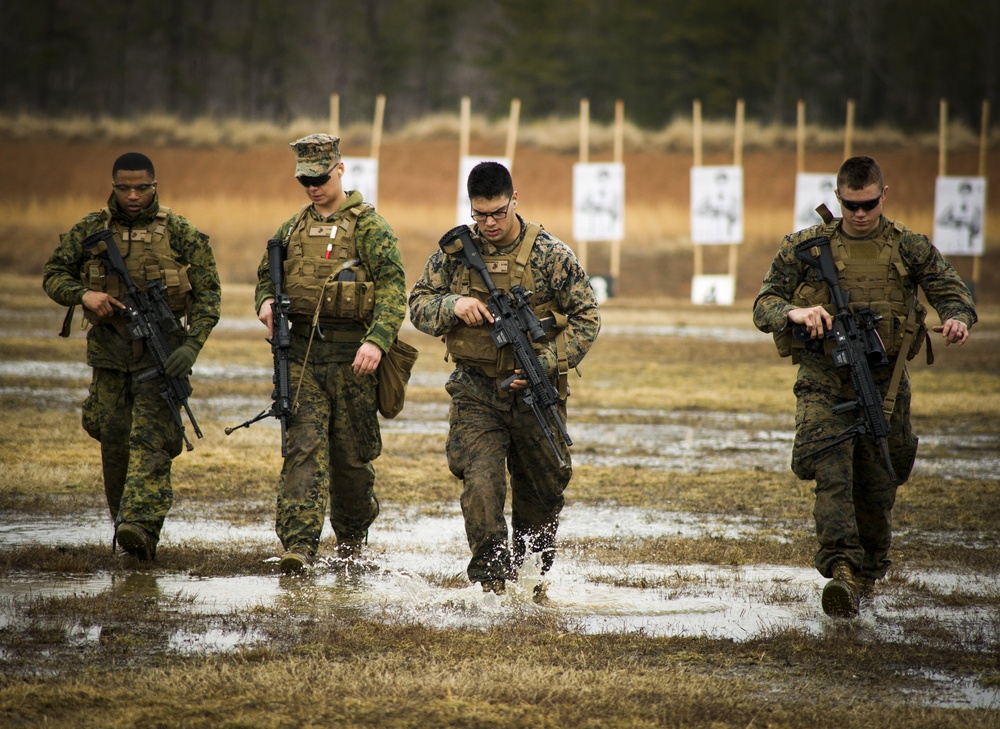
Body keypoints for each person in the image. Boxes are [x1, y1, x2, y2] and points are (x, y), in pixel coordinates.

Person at [752, 156, 977, 618]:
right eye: (851, 205)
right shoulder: (806, 246)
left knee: (878, 486)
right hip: (823, 381)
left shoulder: (908, 247)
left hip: (885, 386)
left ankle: (866, 572)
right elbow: (764, 304)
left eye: (869, 204)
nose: (860, 213)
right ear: (838, 198)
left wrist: (956, 317)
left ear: (883, 196)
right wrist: (794, 313)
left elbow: (951, 290)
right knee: (833, 475)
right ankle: (842, 570)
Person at [409, 161, 600, 599]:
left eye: (497, 212)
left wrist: (545, 361)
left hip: (536, 392)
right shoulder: (455, 253)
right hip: (476, 391)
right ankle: (492, 585)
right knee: (481, 486)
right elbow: (418, 303)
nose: (489, 223)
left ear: (515, 199)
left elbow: (587, 316)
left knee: (543, 493)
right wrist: (453, 305)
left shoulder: (551, 255)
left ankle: (532, 579)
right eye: (480, 214)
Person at [42, 152, 221, 562]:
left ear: (155, 186)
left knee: (152, 444)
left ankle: (140, 527)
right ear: (113, 186)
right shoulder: (90, 229)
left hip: (159, 358)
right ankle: (126, 531)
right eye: (124, 188)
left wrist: (192, 345)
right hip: (109, 358)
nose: (133, 195)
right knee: (116, 446)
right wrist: (84, 294)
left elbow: (209, 294)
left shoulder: (179, 231)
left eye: (142, 188)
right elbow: (54, 274)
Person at [255, 134, 406, 573]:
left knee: (351, 461)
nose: (313, 187)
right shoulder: (291, 229)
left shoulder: (370, 227)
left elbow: (395, 290)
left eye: (320, 177)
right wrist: (264, 301)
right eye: (305, 179)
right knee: (302, 450)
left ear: (340, 169)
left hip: (353, 363)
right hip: (301, 359)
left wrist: (377, 341)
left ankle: (353, 538)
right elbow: (268, 277)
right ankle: (299, 546)